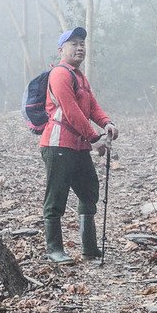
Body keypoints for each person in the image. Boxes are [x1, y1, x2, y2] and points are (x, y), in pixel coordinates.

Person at [40, 27, 119, 265]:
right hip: (58, 144)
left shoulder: (80, 77)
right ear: (61, 49)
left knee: (88, 191)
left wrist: (107, 122)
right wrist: (94, 138)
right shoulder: (60, 75)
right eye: (73, 43)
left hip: (79, 146)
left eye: (82, 43)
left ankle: (89, 247)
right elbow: (71, 111)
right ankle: (54, 250)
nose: (80, 47)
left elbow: (91, 106)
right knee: (56, 197)